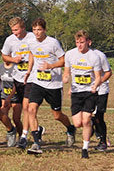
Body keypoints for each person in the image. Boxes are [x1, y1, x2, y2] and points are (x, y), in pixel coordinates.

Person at [23, 19, 75, 154]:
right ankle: (36, 142)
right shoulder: (31, 42)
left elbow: (64, 60)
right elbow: (31, 54)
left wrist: (50, 66)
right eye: (34, 30)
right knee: (31, 109)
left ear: (44, 30)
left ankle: (70, 128)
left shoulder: (53, 43)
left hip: (54, 84)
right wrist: (29, 71)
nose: (36, 33)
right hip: (38, 82)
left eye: (39, 30)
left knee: (57, 115)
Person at [1, 17, 52, 149]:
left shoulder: (31, 37)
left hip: (31, 78)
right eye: (13, 30)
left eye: (17, 30)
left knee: (27, 107)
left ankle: (24, 136)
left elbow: (35, 53)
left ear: (23, 28)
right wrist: (13, 59)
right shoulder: (9, 40)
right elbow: (4, 56)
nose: (15, 33)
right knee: (20, 112)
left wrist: (31, 68)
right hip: (17, 78)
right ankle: (37, 129)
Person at [62, 30, 103, 158]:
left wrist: (95, 85)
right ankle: (92, 126)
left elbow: (98, 76)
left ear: (88, 42)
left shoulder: (94, 57)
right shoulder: (70, 54)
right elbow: (67, 72)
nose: (79, 45)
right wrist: (66, 78)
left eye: (82, 42)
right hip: (76, 92)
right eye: (77, 42)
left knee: (85, 120)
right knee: (77, 123)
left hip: (89, 92)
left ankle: (85, 148)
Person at [91, 45, 111, 151]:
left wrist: (99, 82)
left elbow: (108, 72)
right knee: (86, 116)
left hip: (101, 90)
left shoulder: (99, 55)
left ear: (89, 42)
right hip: (86, 90)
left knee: (99, 116)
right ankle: (95, 131)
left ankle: (103, 141)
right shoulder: (78, 54)